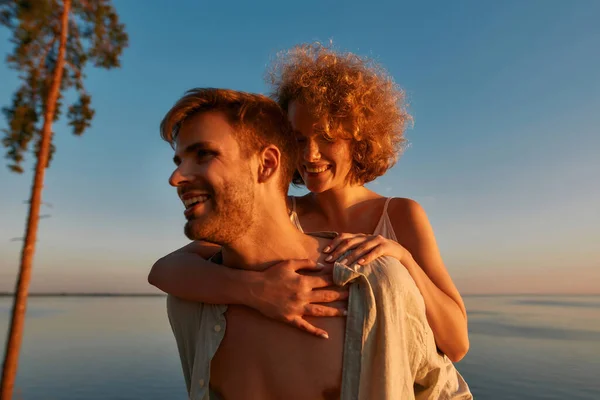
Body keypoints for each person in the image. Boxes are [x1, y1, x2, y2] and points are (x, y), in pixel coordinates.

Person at [149, 43, 469, 362]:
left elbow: (456, 345)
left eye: (327, 138)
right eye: (298, 140)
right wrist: (253, 289)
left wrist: (404, 261)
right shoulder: (279, 213)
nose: (310, 154)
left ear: (360, 140)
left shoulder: (400, 214)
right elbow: (164, 271)